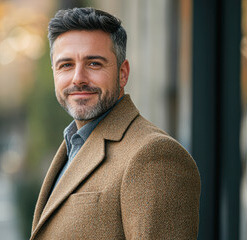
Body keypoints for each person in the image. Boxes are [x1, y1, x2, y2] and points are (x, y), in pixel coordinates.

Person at [30, 7, 200, 240]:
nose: (78, 77)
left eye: (94, 64)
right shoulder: (73, 144)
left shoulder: (155, 155)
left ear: (122, 73)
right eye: (66, 65)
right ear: (54, 73)